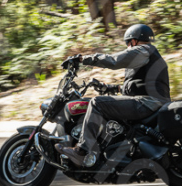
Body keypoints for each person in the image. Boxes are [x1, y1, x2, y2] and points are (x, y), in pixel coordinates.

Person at [55, 24, 171, 167]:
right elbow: (139, 86)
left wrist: (82, 59)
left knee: (97, 103)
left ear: (133, 41)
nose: (128, 47)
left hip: (147, 103)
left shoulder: (142, 50)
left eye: (128, 44)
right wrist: (113, 88)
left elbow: (114, 60)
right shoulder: (150, 55)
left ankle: (82, 151)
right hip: (151, 102)